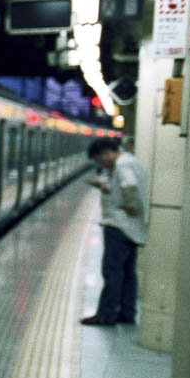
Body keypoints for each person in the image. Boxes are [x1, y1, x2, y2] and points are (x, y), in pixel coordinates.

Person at [80, 138, 148, 326]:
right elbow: (125, 186)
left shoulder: (122, 164)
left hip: (119, 226)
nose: (100, 164)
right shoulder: (132, 161)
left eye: (99, 160)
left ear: (107, 153)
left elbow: (130, 185)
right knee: (128, 273)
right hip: (131, 227)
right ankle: (127, 312)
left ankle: (106, 314)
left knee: (112, 271)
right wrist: (107, 187)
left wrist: (130, 204)